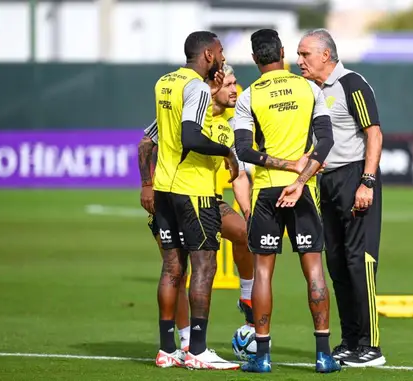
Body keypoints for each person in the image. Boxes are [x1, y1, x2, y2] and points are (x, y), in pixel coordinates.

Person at [234, 28, 340, 374]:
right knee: (314, 270)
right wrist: (300, 178)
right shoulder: (309, 88)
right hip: (303, 191)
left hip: (266, 191)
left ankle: (262, 356)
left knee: (263, 272)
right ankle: (323, 355)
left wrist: (281, 166)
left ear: (254, 58)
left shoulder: (249, 96)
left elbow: (244, 150)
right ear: (282, 51)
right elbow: (325, 142)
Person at [138, 65, 255, 362]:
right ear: (213, 86)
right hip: (179, 194)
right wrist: (147, 185)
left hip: (210, 200)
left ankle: (247, 294)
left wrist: (248, 210)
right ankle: (188, 342)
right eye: (229, 83)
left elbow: (240, 175)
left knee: (244, 233)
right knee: (179, 269)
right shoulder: (190, 109)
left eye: (235, 83)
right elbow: (147, 142)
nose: (235, 89)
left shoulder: (233, 122)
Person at [296, 28, 386, 367]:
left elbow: (373, 133)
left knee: (357, 262)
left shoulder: (352, 84)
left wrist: (367, 181)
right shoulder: (312, 91)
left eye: (305, 54)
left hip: (354, 177)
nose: (299, 60)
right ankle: (350, 342)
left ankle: (371, 346)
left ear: (325, 55)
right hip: (327, 181)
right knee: (335, 262)